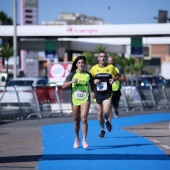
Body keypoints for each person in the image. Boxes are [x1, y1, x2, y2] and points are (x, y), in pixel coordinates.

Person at [62, 56, 94, 149]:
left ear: (84, 64)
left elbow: (93, 84)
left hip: (85, 98)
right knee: (76, 120)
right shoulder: (72, 74)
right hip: (75, 99)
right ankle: (77, 138)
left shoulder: (88, 74)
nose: (81, 64)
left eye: (82, 63)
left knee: (84, 119)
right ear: (76, 64)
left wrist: (93, 92)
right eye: (79, 63)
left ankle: (84, 139)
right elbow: (63, 86)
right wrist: (72, 81)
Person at [90, 51, 119, 138]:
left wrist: (114, 79)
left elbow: (117, 75)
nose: (102, 58)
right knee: (99, 113)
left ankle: (106, 121)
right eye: (101, 56)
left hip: (107, 93)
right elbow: (89, 80)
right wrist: (93, 83)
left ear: (105, 58)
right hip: (97, 93)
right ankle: (102, 129)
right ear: (98, 58)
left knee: (106, 111)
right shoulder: (94, 68)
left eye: (104, 57)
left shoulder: (111, 67)